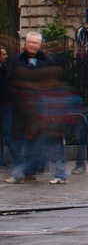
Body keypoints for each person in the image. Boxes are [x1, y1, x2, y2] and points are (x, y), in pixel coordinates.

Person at [6, 32, 58, 183]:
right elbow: (10, 81)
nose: (33, 46)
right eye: (30, 43)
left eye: (36, 43)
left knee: (35, 141)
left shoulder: (48, 61)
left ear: (40, 45)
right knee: (17, 140)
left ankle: (29, 171)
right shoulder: (16, 60)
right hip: (20, 107)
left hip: (39, 109)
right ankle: (18, 168)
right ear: (25, 44)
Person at [0, 46, 11, 171]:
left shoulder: (4, 69)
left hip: (5, 105)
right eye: (3, 55)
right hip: (3, 104)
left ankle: (3, 158)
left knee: (7, 133)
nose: (6, 57)